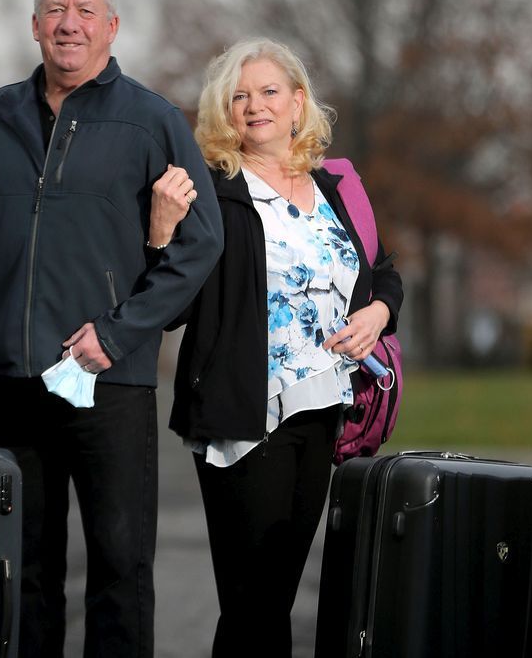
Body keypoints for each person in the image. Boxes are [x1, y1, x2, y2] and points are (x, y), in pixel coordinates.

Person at [0, 0, 223, 658]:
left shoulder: (152, 123)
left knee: (120, 567)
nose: (69, 24)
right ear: (34, 25)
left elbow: (200, 243)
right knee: (22, 567)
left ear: (112, 27)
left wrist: (118, 335)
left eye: (85, 12)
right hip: (11, 379)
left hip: (108, 382)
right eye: (56, 10)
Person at [153, 38, 403, 657]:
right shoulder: (214, 191)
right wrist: (160, 235)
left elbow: (382, 268)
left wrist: (378, 311)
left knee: (277, 597)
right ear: (223, 112)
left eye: (268, 92)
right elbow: (173, 305)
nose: (254, 105)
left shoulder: (336, 185)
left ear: (298, 103)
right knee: (253, 601)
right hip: (245, 413)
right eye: (239, 96)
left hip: (323, 408)